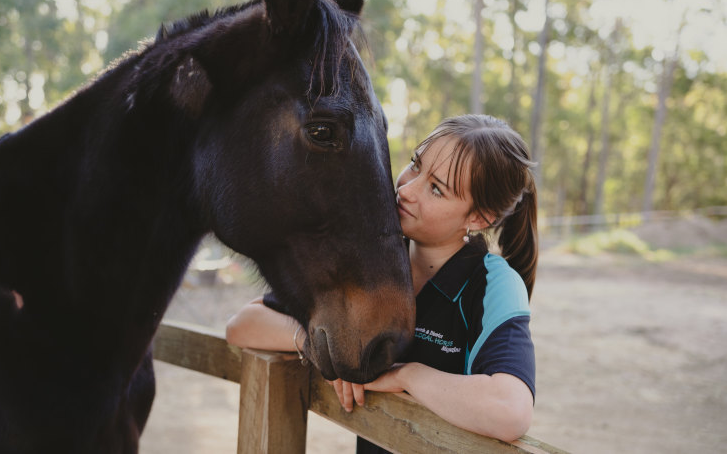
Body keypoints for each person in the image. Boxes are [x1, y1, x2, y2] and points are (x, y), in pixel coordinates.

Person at [225, 114, 538, 449]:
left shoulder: (494, 283)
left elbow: (510, 411)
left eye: (436, 188)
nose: (406, 189)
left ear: (478, 218)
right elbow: (242, 325)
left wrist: (406, 375)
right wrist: (325, 344)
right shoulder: (369, 256)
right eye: (416, 164)